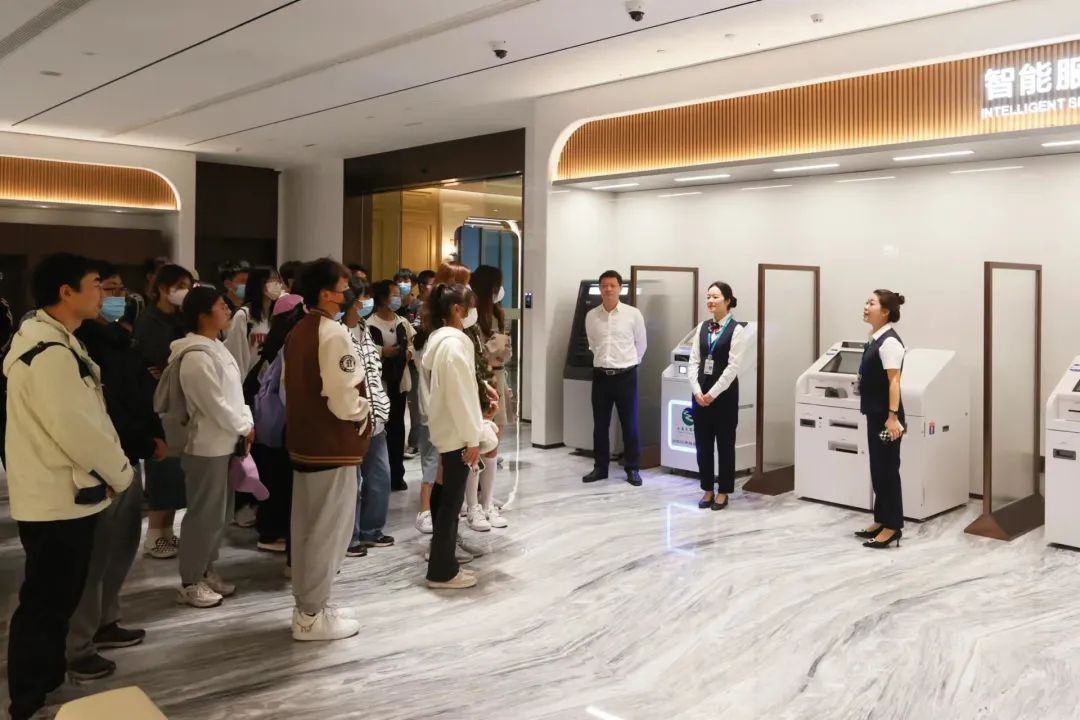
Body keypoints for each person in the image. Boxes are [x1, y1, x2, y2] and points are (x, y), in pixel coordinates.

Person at [4, 253, 134, 720]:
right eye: (96, 284)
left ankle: (46, 683)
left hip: (59, 496)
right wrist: (121, 473)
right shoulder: (51, 354)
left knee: (54, 600)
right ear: (66, 292)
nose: (104, 294)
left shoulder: (56, 342)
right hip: (56, 500)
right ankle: (28, 700)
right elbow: (79, 431)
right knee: (45, 603)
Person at [66, 263, 162, 681]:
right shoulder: (79, 342)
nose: (115, 297)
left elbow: (137, 392)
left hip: (128, 453)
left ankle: (106, 620)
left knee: (121, 546)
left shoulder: (122, 337)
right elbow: (105, 408)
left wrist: (151, 435)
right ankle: (78, 643)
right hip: (103, 461)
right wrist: (142, 440)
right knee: (94, 554)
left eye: (120, 289)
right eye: (106, 288)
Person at [283, 258, 371, 641]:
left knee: (307, 529)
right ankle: (311, 614)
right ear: (325, 293)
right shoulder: (332, 333)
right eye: (343, 286)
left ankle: (309, 604)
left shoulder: (300, 329)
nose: (348, 292)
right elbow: (342, 395)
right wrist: (362, 411)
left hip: (306, 443)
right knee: (328, 532)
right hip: (331, 445)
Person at [167, 287, 255, 608]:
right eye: (221, 306)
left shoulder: (216, 347)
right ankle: (190, 580)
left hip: (226, 442)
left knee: (219, 515)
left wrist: (245, 421)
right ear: (203, 315)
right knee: (203, 515)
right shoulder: (194, 356)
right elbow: (214, 405)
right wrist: (244, 425)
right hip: (205, 446)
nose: (228, 310)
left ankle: (206, 569)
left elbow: (235, 394)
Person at [422, 283, 488, 590]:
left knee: (445, 496)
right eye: (470, 305)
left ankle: (442, 563)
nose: (474, 311)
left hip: (448, 431)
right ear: (456, 310)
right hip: (456, 434)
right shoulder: (452, 346)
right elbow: (460, 396)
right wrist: (472, 438)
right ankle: (442, 571)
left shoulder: (443, 342)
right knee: (451, 502)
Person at [134, 264, 194, 559]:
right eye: (180, 285)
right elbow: (160, 358)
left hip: (180, 402)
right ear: (162, 287)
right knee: (163, 468)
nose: (185, 291)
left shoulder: (182, 319)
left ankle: (167, 531)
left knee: (175, 473)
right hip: (158, 404)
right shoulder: (149, 320)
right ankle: (155, 534)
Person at [343, 279, 394, 557]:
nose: (367, 303)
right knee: (351, 483)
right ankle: (349, 537)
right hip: (352, 420)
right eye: (363, 298)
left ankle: (371, 529)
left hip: (376, 418)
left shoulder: (366, 331)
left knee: (380, 477)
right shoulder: (338, 334)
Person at [854, 290, 907, 549]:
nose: (866, 306)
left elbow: (894, 381)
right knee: (878, 469)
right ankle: (881, 519)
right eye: (866, 302)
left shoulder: (890, 342)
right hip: (876, 415)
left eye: (871, 303)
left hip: (888, 419)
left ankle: (893, 526)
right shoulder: (875, 339)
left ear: (885, 312)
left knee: (887, 470)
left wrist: (892, 417)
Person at [687, 282, 747, 511]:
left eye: (716, 297)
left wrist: (712, 394)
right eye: (708, 297)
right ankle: (707, 489)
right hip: (700, 395)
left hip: (723, 397)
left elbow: (733, 368)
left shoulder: (736, 330)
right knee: (702, 446)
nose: (710, 301)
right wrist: (697, 390)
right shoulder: (702, 327)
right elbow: (694, 361)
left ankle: (723, 492)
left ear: (728, 301)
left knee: (725, 445)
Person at [583, 270, 646, 487]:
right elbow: (593, 344)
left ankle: (633, 468)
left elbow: (641, 344)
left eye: (612, 285)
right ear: (600, 288)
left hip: (625, 376)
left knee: (630, 424)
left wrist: (629, 363)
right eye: (604, 285)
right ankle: (600, 468)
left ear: (620, 288)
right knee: (600, 425)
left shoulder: (633, 314)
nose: (608, 289)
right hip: (601, 376)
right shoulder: (592, 316)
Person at [465, 265, 512, 530]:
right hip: (479, 381)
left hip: (498, 377)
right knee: (477, 440)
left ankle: (487, 501)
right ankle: (473, 504)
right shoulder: (471, 316)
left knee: (494, 439)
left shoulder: (498, 313)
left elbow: (504, 351)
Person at [367, 280, 414, 492]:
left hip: (399, 382)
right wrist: (382, 352)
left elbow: (412, 344)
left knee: (397, 428)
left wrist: (408, 353)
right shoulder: (370, 324)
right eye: (394, 294)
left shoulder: (402, 322)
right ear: (383, 298)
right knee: (380, 430)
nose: (398, 298)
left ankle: (397, 475)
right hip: (380, 383)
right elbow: (365, 349)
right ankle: (380, 477)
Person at [224, 265, 283, 376]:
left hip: (269, 381)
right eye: (273, 279)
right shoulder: (243, 315)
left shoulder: (278, 316)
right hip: (248, 379)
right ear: (260, 283)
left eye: (278, 280)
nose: (278, 284)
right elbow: (236, 354)